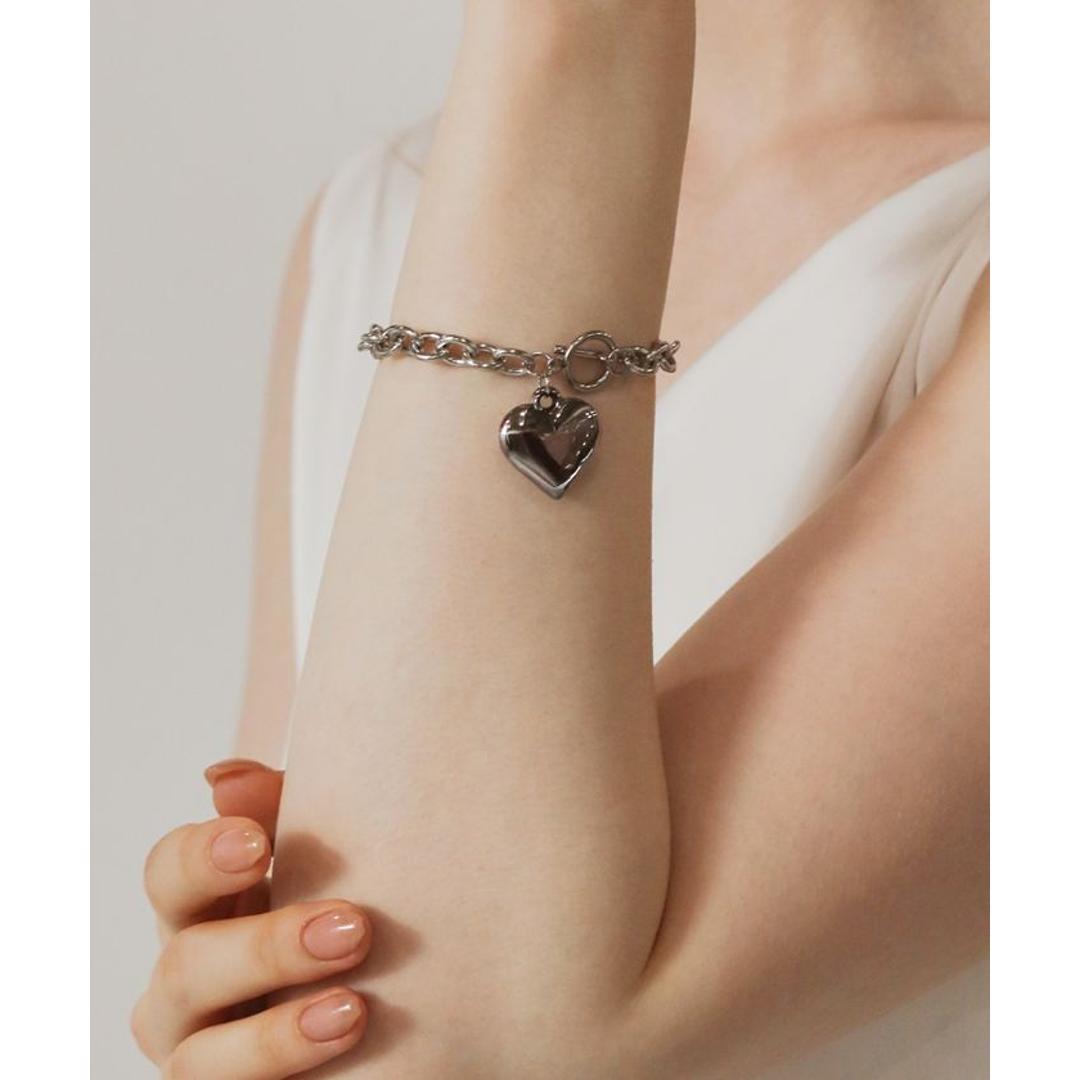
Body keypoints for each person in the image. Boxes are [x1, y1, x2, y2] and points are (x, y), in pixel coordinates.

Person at [132, 1, 990, 1076]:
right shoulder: (383, 215)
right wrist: (247, 997)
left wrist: (571, 35)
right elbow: (338, 1000)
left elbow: (431, 1035)